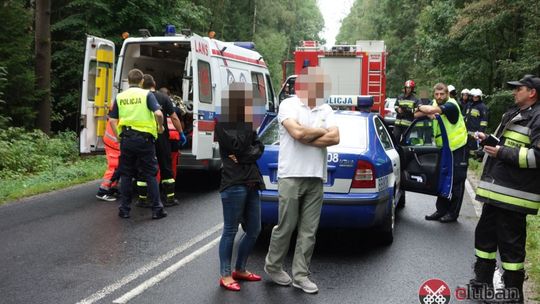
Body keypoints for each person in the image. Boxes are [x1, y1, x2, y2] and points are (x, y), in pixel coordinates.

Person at [264, 66, 340, 294]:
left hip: (315, 177)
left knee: (309, 231)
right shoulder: (289, 105)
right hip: (290, 175)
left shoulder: (326, 108)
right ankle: (273, 266)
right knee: (286, 226)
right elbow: (296, 134)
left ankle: (300, 275)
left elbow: (335, 137)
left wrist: (306, 135)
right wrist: (318, 131)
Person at [470, 75, 540, 303]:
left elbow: (537, 157)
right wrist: (487, 141)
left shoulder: (537, 118)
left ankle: (513, 294)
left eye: (518, 89)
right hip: (496, 191)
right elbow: (503, 144)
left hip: (515, 196)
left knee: (511, 248)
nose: (513, 92)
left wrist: (501, 152)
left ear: (532, 92)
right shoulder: (513, 113)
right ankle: (481, 283)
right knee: (485, 239)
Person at [215, 82, 266, 292]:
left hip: (252, 181)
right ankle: (225, 274)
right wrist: (248, 147)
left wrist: (245, 155)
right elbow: (238, 147)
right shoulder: (223, 124)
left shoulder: (247, 124)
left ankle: (240, 269)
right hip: (233, 183)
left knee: (255, 229)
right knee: (230, 230)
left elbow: (259, 148)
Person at [108, 68, 167, 220]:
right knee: (150, 174)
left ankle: (124, 210)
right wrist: (160, 127)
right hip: (145, 141)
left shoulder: (120, 96)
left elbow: (113, 120)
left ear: (128, 81)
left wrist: (118, 136)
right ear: (141, 81)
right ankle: (157, 209)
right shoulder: (146, 94)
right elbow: (158, 113)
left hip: (127, 139)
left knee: (126, 174)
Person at [415, 83, 468, 223]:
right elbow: (416, 114)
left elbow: (429, 109)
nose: (439, 97)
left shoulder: (451, 105)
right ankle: (441, 210)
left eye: (442, 94)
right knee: (443, 178)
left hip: (457, 147)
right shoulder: (435, 104)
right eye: (437, 94)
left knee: (456, 180)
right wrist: (424, 110)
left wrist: (421, 106)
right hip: (444, 148)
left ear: (447, 94)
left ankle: (452, 213)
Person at [136, 75, 184, 207]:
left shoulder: (139, 98)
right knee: (166, 166)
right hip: (161, 135)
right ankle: (169, 198)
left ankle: (142, 199)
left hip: (144, 136)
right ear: (154, 83)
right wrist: (180, 133)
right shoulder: (164, 98)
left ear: (141, 84)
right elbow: (174, 117)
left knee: (143, 167)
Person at [96, 106, 121, 202]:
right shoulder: (120, 111)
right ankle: (102, 191)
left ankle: (111, 187)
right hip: (114, 143)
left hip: (111, 141)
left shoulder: (115, 108)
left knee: (118, 166)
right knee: (115, 167)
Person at [464, 88, 489, 159]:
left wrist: (481, 132)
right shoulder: (469, 105)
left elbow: (484, 121)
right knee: (466, 147)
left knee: (473, 148)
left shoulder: (482, 107)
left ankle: (474, 160)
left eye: (476, 97)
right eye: (473, 96)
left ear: (479, 97)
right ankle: (467, 159)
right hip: (466, 131)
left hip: (476, 132)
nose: (475, 98)